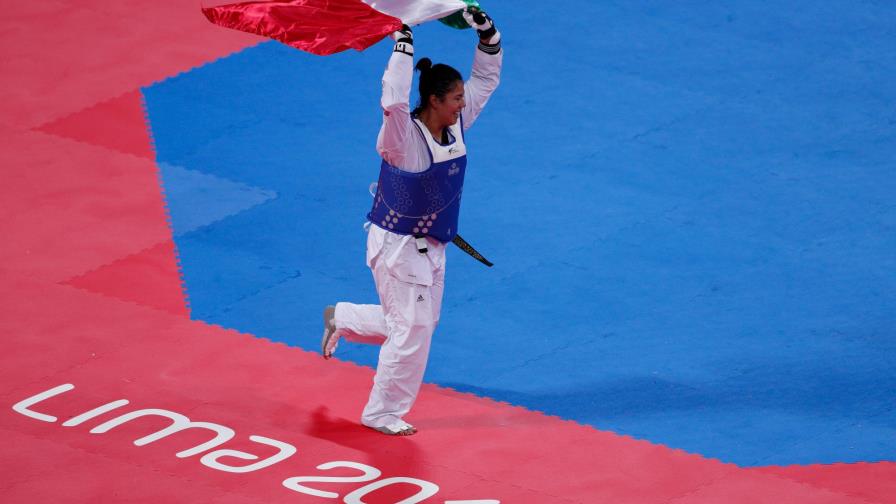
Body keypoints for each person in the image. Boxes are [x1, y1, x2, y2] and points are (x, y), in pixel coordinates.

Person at [321, 9, 502, 436]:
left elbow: (486, 80)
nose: (463, 103)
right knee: (413, 329)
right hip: (398, 246)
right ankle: (381, 412)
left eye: (462, 98)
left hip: (433, 244)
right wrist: (402, 45)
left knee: (416, 324)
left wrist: (488, 33)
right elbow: (393, 102)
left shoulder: (456, 126)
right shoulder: (403, 139)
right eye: (455, 98)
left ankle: (342, 316)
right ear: (435, 100)